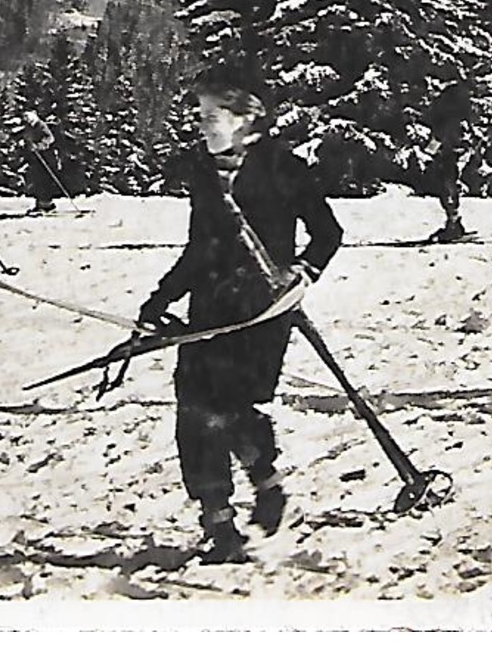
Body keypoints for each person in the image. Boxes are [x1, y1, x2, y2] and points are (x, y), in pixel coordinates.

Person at [136, 72, 342, 564]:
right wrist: (160, 300)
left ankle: (265, 481)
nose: (202, 125)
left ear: (245, 118)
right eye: (201, 116)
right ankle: (219, 525)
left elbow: (327, 232)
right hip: (208, 308)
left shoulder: (282, 167)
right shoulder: (205, 175)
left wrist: (303, 274)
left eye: (211, 116)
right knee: (193, 409)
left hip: (262, 311)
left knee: (228, 408)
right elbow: (200, 248)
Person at [425, 80, 471, 243]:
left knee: (447, 186)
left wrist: (431, 149)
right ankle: (454, 221)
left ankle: (453, 223)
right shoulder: (455, 103)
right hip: (452, 149)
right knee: (447, 185)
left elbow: (443, 131)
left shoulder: (447, 105)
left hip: (449, 151)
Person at [20, 109, 60, 214]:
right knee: (37, 180)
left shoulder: (41, 125)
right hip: (37, 158)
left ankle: (47, 205)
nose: (26, 120)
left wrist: (39, 146)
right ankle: (40, 204)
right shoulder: (29, 127)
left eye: (28, 118)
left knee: (45, 180)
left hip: (47, 157)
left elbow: (50, 138)